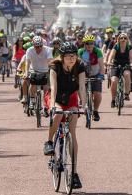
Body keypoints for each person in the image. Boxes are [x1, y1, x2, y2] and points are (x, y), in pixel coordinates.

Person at [43, 42, 85, 190]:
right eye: (68, 56)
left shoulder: (80, 66)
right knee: (58, 115)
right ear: (62, 57)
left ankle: (73, 173)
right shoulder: (55, 66)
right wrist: (53, 105)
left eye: (74, 55)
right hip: (56, 97)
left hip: (71, 98)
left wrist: (84, 106)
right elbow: (53, 87)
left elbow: (81, 88)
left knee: (72, 133)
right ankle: (49, 142)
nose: (71, 59)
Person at [78, 34, 104, 121]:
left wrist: (101, 75)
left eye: (91, 43)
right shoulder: (80, 52)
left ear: (94, 44)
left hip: (96, 74)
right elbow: (76, 65)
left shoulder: (98, 51)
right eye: (87, 43)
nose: (89, 45)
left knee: (97, 94)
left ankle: (96, 111)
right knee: (80, 90)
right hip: (83, 74)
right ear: (84, 44)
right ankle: (83, 103)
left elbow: (101, 65)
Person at [21, 36, 53, 105]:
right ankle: (28, 98)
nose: (39, 48)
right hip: (33, 70)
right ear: (33, 45)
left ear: (42, 45)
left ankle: (45, 104)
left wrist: (53, 70)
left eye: (40, 46)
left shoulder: (48, 50)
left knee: (46, 87)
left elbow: (50, 61)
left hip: (45, 71)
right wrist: (26, 73)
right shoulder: (29, 50)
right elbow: (27, 62)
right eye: (36, 47)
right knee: (32, 84)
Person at [107, 33, 132, 107]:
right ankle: (113, 100)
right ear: (118, 39)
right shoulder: (116, 46)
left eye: (125, 38)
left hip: (126, 65)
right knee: (113, 81)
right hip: (115, 65)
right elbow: (111, 56)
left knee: (127, 74)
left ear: (127, 40)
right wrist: (109, 62)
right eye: (121, 38)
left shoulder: (129, 47)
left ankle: (126, 94)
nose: (123, 39)